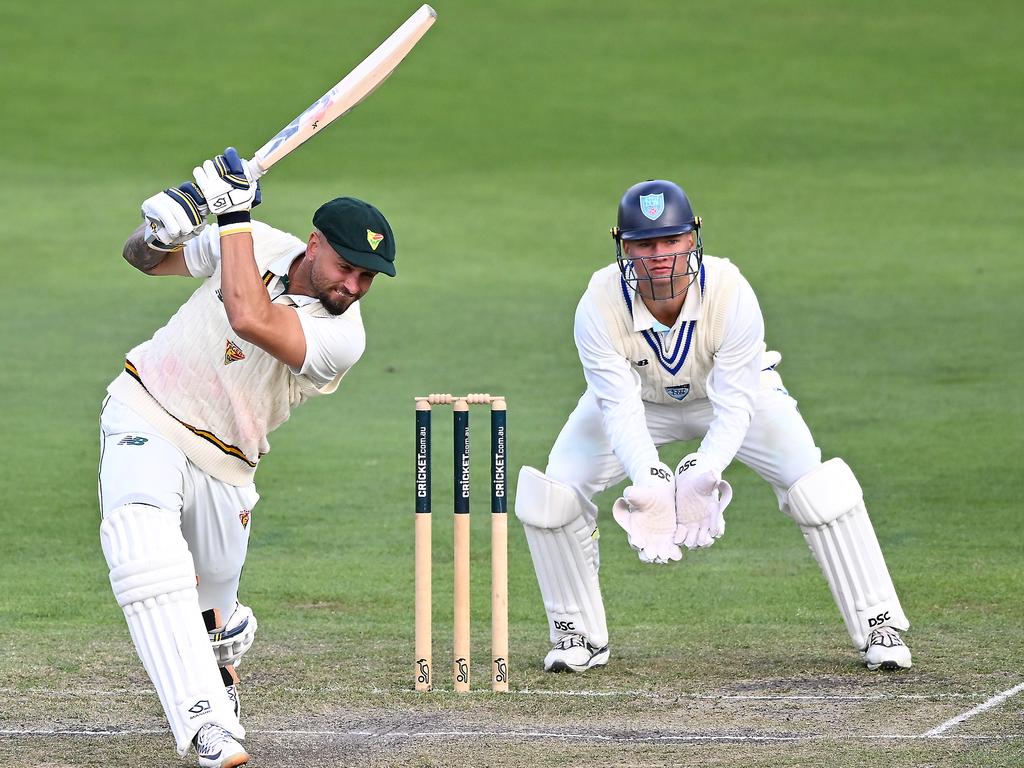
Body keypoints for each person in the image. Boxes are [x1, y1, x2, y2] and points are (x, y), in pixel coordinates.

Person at [514, 179, 912, 676]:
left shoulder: (729, 290)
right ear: (624, 246)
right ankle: (575, 635)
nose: (659, 255)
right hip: (638, 402)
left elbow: (738, 403)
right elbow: (617, 407)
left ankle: (879, 623)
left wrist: (705, 469)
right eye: (644, 244)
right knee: (550, 497)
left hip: (731, 394)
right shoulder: (598, 302)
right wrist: (650, 478)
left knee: (817, 488)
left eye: (671, 240)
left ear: (692, 238)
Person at [97, 147, 397, 768]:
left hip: (228, 462)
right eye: (348, 268)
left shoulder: (345, 337)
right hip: (146, 407)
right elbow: (143, 261)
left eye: (368, 277)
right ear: (314, 244)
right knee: (143, 554)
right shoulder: (256, 240)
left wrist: (229, 214)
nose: (354, 286)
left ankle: (221, 644)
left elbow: (249, 315)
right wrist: (165, 227)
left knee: (211, 621)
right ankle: (206, 725)